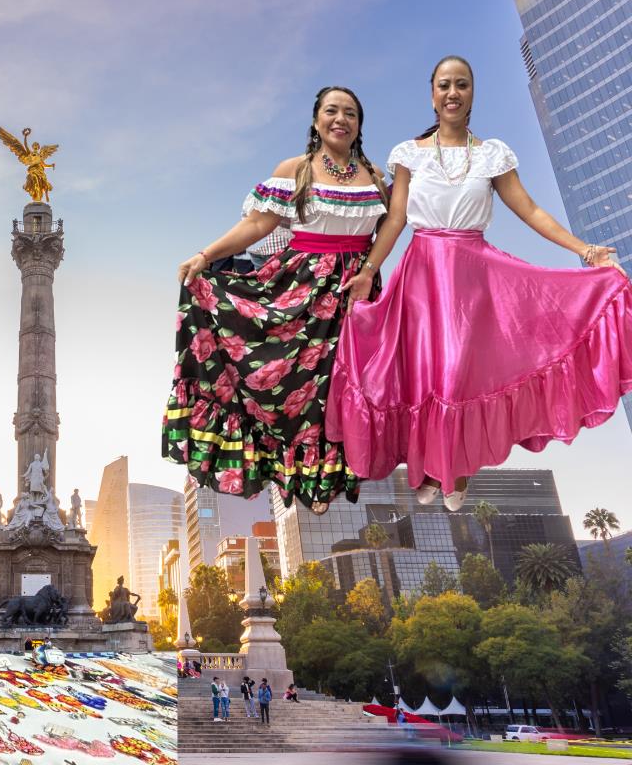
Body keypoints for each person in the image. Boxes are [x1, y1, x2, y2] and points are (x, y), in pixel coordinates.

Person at [330, 56, 632, 511]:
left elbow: (529, 209)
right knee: (424, 374)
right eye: (445, 85)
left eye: (462, 85)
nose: (453, 93)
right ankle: (429, 468)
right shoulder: (408, 153)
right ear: (432, 94)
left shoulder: (492, 154)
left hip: (474, 277)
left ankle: (456, 469)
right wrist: (370, 269)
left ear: (472, 93)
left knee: (458, 373)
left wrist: (584, 250)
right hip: (422, 275)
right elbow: (395, 220)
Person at [165, 86, 387, 513]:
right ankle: (295, 475)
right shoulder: (295, 169)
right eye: (331, 111)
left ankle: (323, 480)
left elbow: (390, 230)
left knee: (343, 391)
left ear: (359, 124)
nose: (341, 119)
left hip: (354, 295)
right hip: (301, 289)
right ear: (316, 119)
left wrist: (369, 271)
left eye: (351, 114)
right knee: (294, 391)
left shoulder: (376, 177)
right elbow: (257, 225)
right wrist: (206, 255)